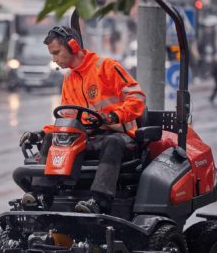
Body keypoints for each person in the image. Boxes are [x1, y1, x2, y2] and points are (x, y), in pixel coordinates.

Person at [20, 26, 146, 214]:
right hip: (88, 137)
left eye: (56, 53)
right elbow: (66, 118)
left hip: (119, 135)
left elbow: (137, 97)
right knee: (52, 139)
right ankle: (41, 194)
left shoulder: (106, 66)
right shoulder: (69, 78)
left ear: (73, 46)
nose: (53, 59)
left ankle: (98, 200)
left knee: (112, 142)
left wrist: (115, 115)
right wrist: (41, 133)